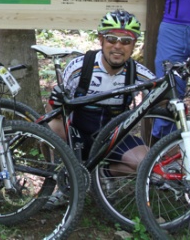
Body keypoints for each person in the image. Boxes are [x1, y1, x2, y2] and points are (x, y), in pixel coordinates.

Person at [46, 10, 156, 206]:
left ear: (133, 45)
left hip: (112, 136)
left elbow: (162, 103)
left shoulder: (139, 73)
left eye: (125, 41)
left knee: (146, 162)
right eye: (111, 38)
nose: (117, 46)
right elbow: (55, 110)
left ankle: (102, 176)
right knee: (52, 124)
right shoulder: (80, 67)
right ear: (100, 40)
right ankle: (63, 181)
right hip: (78, 133)